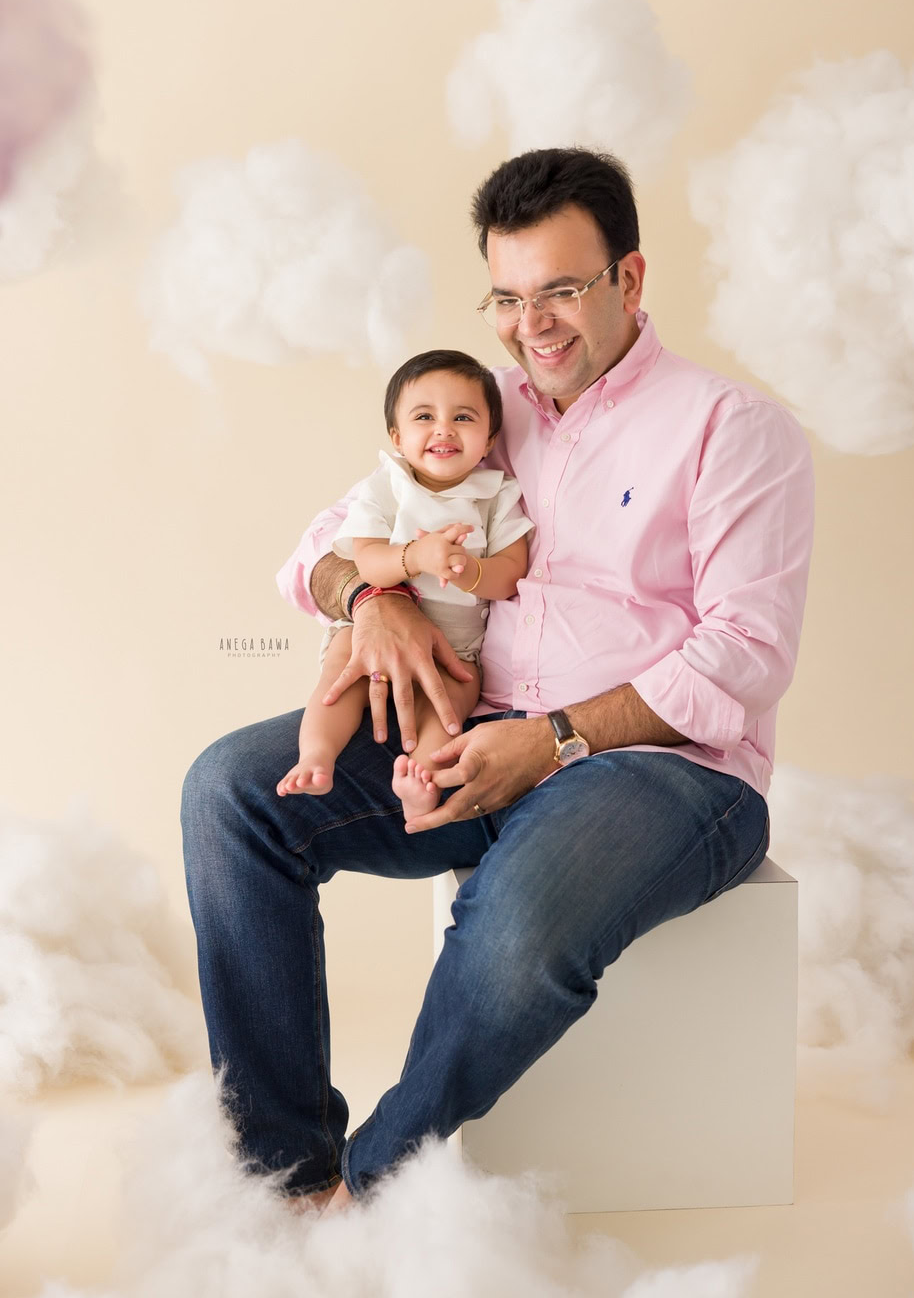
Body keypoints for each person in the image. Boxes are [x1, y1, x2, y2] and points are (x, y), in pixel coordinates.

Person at [181, 146, 814, 1218]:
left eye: (562, 288)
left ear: (631, 278)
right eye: (510, 297)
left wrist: (558, 738)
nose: (536, 324)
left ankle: (368, 1187)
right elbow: (319, 551)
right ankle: (282, 1174)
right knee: (230, 791)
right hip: (468, 734)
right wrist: (369, 599)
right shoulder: (476, 410)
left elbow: (748, 652)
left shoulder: (731, 429)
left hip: (666, 771)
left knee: (517, 920)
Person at [275, 348, 533, 825]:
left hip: (456, 650)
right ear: (397, 436)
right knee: (341, 673)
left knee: (457, 698)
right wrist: (416, 557)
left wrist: (469, 571)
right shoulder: (386, 486)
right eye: (424, 417)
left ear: (489, 437)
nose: (443, 429)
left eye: (463, 417)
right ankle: (317, 756)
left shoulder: (496, 494)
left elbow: (512, 569)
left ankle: (420, 780)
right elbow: (367, 561)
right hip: (375, 631)